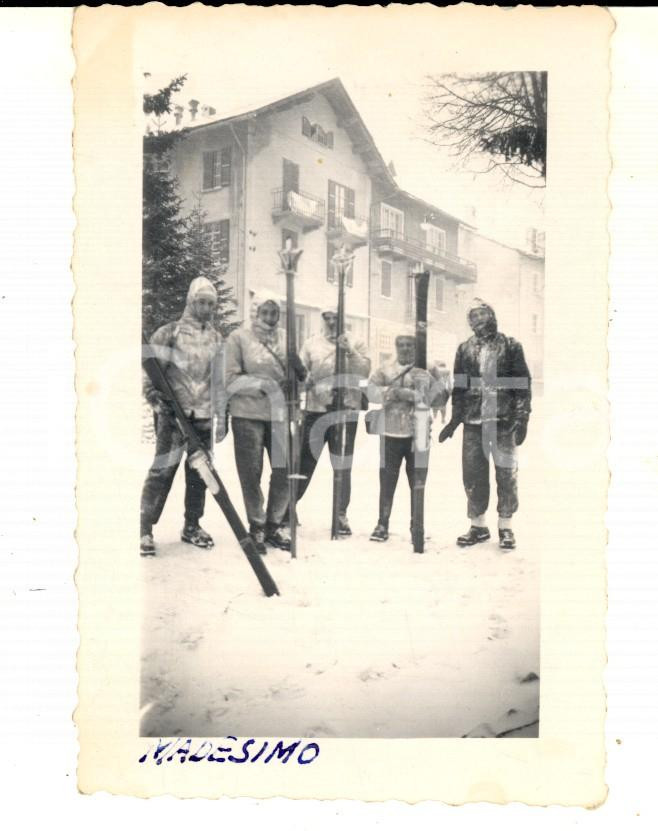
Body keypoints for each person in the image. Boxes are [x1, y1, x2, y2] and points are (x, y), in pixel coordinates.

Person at [140, 277, 226, 557]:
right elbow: (151, 370)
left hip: (202, 416)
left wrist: (220, 415)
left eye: (211, 304)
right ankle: (144, 528)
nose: (206, 308)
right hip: (175, 416)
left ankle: (192, 525)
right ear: (191, 301)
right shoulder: (171, 333)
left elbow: (219, 380)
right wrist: (156, 399)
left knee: (200, 473)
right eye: (201, 302)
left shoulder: (216, 338)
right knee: (163, 470)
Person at [439, 298, 532, 550]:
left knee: (506, 473)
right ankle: (478, 525)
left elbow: (522, 384)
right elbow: (460, 386)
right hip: (473, 421)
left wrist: (522, 417)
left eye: (481, 314)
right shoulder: (464, 349)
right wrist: (454, 420)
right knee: (472, 473)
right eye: (473, 317)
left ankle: (506, 526)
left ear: (491, 315)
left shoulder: (511, 346)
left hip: (503, 420)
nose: (478, 320)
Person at [224, 295, 301, 553]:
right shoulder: (239, 339)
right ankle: (256, 525)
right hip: (248, 414)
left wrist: (296, 383)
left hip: (279, 414)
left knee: (283, 469)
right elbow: (231, 379)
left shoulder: (286, 340)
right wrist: (265, 386)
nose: (270, 318)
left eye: (274, 313)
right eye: (265, 313)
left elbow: (297, 374)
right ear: (256, 313)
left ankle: (274, 524)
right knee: (251, 472)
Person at [295, 308, 371, 535]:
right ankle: (288, 508)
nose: (330, 322)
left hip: (346, 411)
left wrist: (350, 352)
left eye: (334, 317)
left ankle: (340, 514)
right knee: (305, 462)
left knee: (342, 464)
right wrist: (308, 386)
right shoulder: (311, 344)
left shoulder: (357, 342)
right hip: (316, 410)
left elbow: (364, 371)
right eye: (326, 317)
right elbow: (300, 373)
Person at [368, 335, 432, 543]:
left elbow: (440, 395)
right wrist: (391, 392)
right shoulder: (386, 369)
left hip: (419, 430)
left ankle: (417, 525)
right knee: (387, 480)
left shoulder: (426, 368)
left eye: (409, 345)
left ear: (416, 347)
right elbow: (370, 391)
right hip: (391, 431)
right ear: (396, 347)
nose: (405, 349)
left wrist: (414, 395)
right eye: (401, 345)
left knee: (417, 480)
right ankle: (382, 523)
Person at [429, 360, 452, 424]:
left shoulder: (434, 371)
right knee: (443, 406)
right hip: (443, 390)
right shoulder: (447, 371)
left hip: (434, 390)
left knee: (434, 406)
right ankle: (443, 418)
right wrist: (450, 391)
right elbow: (449, 383)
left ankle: (434, 418)